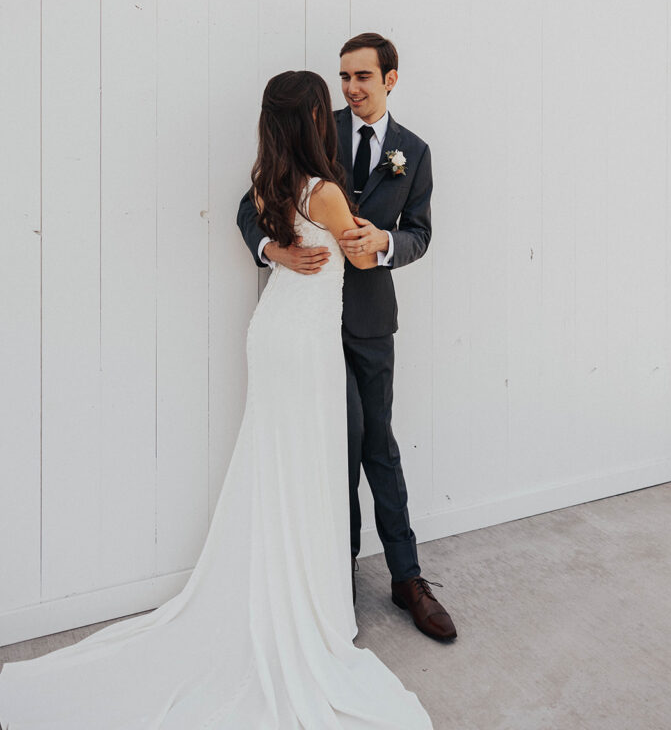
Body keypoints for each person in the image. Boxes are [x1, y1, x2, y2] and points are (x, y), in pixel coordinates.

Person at [0, 69, 432, 729]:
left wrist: (284, 246)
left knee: (284, 469)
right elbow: (364, 257)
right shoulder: (324, 193)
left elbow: (275, 221)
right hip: (305, 346)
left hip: (278, 333)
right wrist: (369, 243)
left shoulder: (274, 180)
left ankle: (298, 590)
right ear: (318, 119)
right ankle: (303, 604)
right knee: (307, 471)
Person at [237, 33, 457, 643]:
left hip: (367, 321)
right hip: (307, 325)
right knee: (330, 449)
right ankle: (336, 578)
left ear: (390, 79)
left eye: (363, 77)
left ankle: (407, 578)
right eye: (343, 77)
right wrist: (274, 249)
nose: (352, 89)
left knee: (376, 446)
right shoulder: (315, 126)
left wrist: (383, 244)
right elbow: (250, 205)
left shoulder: (414, 152)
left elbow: (419, 233)